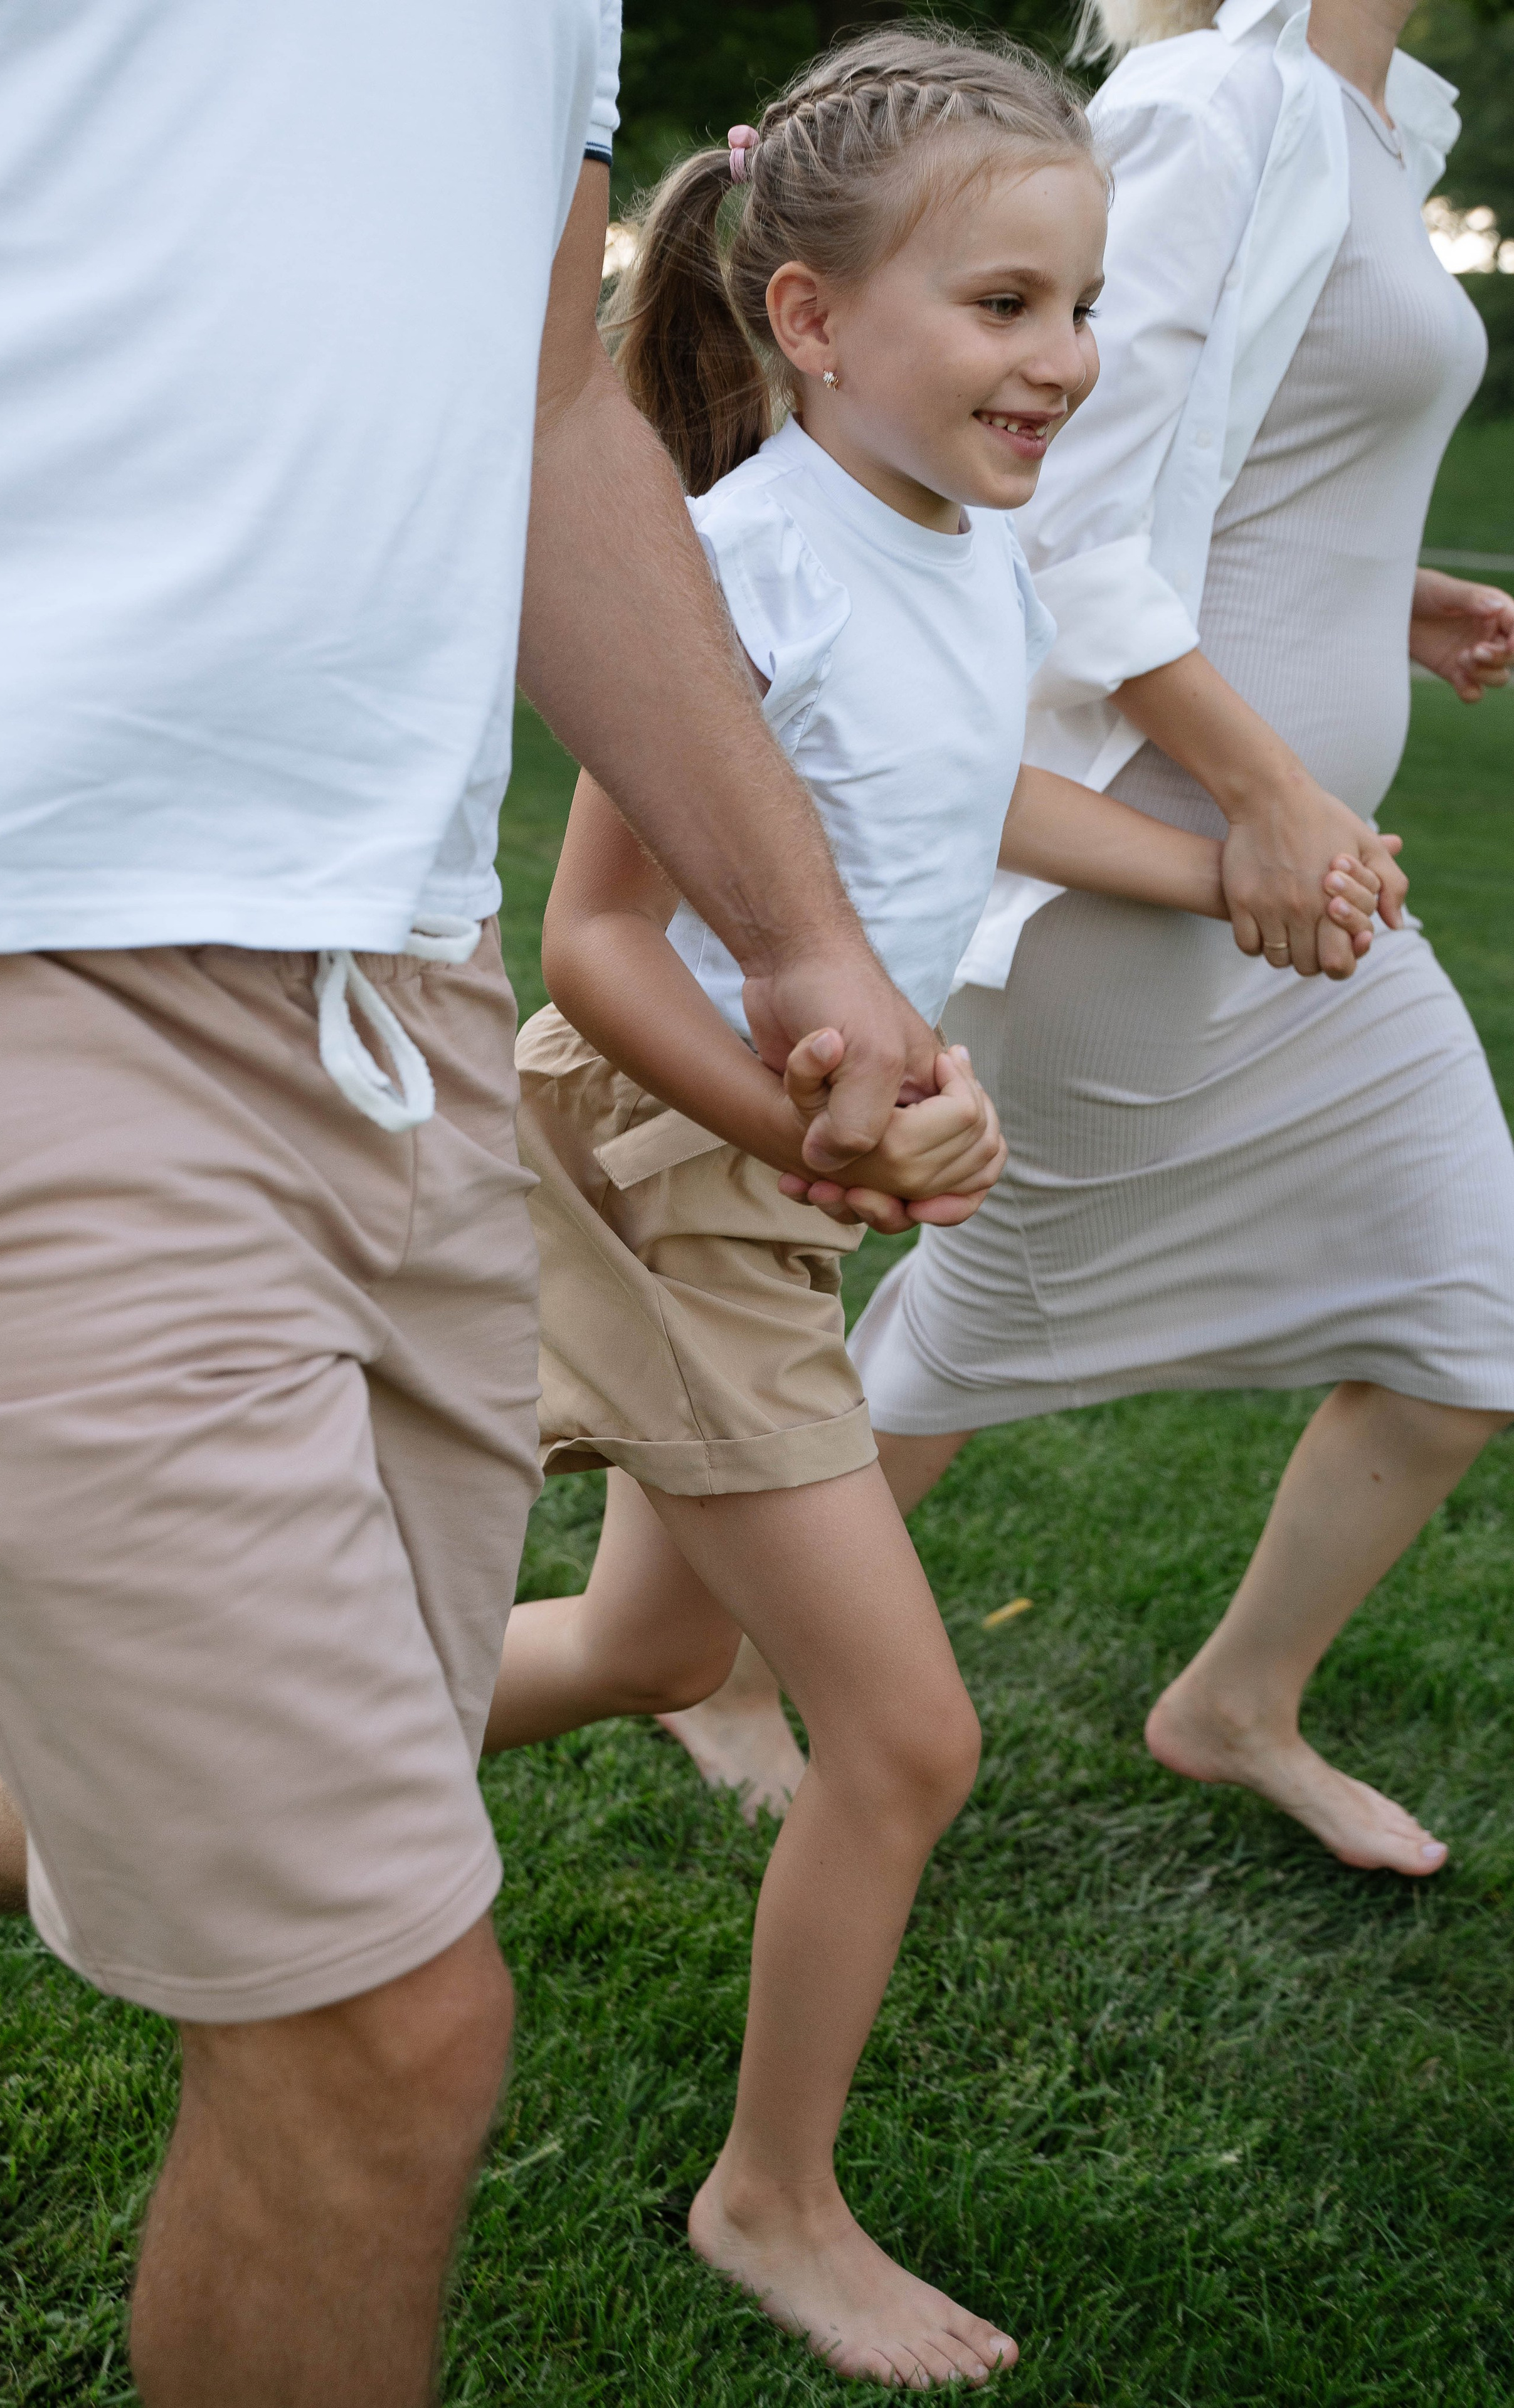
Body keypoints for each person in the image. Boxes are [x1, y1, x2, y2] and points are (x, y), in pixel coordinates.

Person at [0, 7, 956, 2402]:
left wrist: (801, 937)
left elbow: (548, 415)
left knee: (336, 1790)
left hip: (393, 1003)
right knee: (386, 2021)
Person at [482, 29, 1379, 2386]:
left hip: (770, 1174)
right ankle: (769, 2200)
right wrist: (820, 1122)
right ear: (809, 320)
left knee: (656, 1656)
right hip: (671, 1169)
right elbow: (585, 950)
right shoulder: (728, 569)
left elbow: (962, 796)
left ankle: (217, 1785)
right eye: (1003, 308)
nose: (1066, 361)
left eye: (1077, 307)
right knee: (907, 1736)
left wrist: (1220, 868)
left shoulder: (960, 549)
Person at [719, 0, 1514, 1878]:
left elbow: (1211, 458)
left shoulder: (1370, 116)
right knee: (989, 1311)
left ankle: (1234, 1702)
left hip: (1306, 869)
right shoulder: (1209, 100)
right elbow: (1050, 500)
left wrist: (1371, 590)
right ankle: (720, 1662)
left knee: (1472, 1307)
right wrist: (1261, 794)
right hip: (1161, 848)